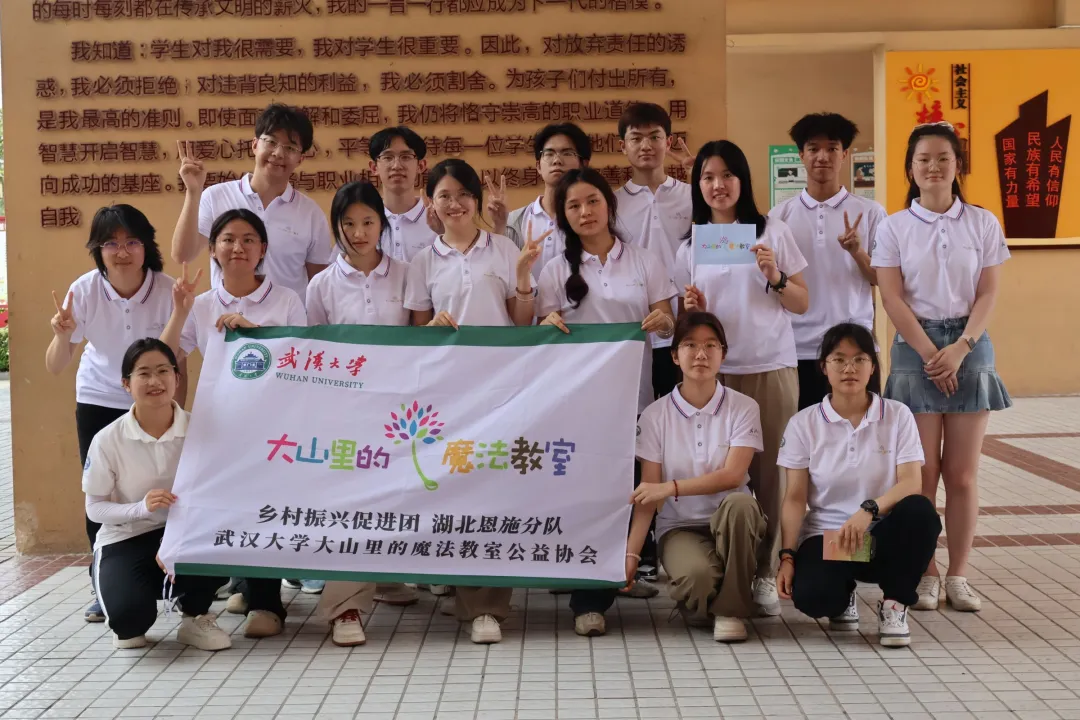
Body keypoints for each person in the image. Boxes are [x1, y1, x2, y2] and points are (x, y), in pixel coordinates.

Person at [872, 122, 1011, 612]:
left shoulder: (982, 222)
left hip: (971, 345)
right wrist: (933, 353)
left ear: (958, 165)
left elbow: (988, 292)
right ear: (910, 168)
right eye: (923, 159)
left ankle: (959, 574)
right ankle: (926, 571)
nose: (933, 167)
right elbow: (891, 297)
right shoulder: (893, 227)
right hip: (916, 347)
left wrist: (962, 347)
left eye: (943, 158)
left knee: (963, 474)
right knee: (923, 473)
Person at [535, 168, 678, 636]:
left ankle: (624, 571)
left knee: (630, 492)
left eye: (592, 201)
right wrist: (547, 324)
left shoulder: (643, 260)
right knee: (587, 497)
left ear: (609, 205)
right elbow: (542, 330)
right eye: (574, 206)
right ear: (564, 216)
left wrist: (662, 321)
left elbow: (668, 318)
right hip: (578, 405)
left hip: (634, 398)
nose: (585, 212)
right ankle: (587, 600)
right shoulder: (555, 270)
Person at [404, 158, 541, 644]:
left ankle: (488, 606)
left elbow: (522, 322)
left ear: (477, 199)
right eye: (444, 195)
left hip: (500, 389)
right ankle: (465, 592)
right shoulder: (421, 261)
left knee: (496, 488)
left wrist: (522, 277)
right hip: (448, 394)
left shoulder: (503, 248)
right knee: (456, 488)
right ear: (431, 203)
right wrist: (432, 329)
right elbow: (416, 335)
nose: (455, 203)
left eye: (463, 193)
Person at [161, 208, 307, 639]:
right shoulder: (202, 304)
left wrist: (253, 332)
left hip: (273, 428)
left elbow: (301, 359)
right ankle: (202, 605)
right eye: (227, 239)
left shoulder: (286, 300)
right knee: (214, 510)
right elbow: (164, 357)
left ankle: (266, 603)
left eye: (248, 239)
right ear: (213, 249)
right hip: (218, 428)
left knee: (265, 510)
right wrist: (179, 310)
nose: (237, 247)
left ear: (263, 249)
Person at [678, 140, 809, 617]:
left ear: (743, 180)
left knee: (773, 474)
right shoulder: (691, 244)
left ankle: (766, 572)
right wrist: (692, 309)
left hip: (770, 367)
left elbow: (802, 302)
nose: (718, 185)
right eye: (708, 177)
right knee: (718, 473)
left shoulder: (772, 231)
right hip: (714, 375)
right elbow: (685, 322)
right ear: (698, 184)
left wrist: (775, 276)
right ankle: (727, 567)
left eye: (727, 175)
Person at [45, 204, 180, 623]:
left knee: (168, 486)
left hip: (153, 400)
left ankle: (174, 574)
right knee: (101, 491)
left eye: (132, 242)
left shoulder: (166, 289)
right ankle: (101, 582)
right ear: (98, 250)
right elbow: (55, 365)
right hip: (100, 398)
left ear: (146, 246)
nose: (122, 252)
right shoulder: (84, 290)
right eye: (111, 244)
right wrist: (62, 335)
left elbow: (175, 359)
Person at [776, 324, 942, 647]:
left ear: (873, 367)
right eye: (839, 359)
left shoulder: (897, 415)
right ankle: (842, 597)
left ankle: (894, 604)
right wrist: (787, 556)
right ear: (823, 367)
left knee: (920, 512)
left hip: (881, 537)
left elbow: (912, 482)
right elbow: (794, 498)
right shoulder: (803, 423)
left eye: (859, 359)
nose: (849, 368)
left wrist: (869, 510)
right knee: (812, 595)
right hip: (830, 539)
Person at [304, 180, 411, 645]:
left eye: (368, 221)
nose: (359, 232)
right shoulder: (321, 285)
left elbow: (422, 340)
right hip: (346, 413)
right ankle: (345, 607)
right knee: (351, 504)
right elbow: (314, 355)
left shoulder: (407, 274)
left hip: (402, 411)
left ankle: (387, 575)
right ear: (337, 227)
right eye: (349, 223)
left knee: (398, 497)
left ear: (382, 224)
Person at [83, 338, 231, 651]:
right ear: (126, 384)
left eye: (163, 371)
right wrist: (140, 508)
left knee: (218, 541)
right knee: (130, 629)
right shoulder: (108, 439)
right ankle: (114, 584)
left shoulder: (202, 429)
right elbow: (95, 509)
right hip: (126, 536)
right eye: (144, 373)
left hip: (186, 534)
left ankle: (195, 616)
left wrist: (177, 537)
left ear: (177, 378)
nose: (155, 381)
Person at [628, 312, 766, 643]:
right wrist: (631, 555)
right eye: (690, 345)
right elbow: (648, 495)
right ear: (675, 356)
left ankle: (730, 611)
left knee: (741, 504)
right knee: (699, 579)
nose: (701, 354)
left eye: (710, 346)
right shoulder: (655, 415)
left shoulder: (744, 407)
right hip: (679, 528)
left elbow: (733, 475)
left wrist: (671, 487)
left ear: (723, 353)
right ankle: (708, 595)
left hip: (733, 524)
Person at [611, 102, 694, 585]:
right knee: (639, 445)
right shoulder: (611, 203)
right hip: (633, 346)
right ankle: (638, 551)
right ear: (622, 145)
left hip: (687, 343)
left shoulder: (692, 196)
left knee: (682, 444)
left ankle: (680, 540)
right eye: (636, 137)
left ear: (669, 141)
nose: (646, 145)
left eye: (655, 136)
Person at [769, 113, 887, 409]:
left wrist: (857, 251)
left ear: (844, 154)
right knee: (801, 432)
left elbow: (882, 279)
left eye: (832, 148)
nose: (822, 156)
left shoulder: (871, 212)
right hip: (795, 348)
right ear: (801, 155)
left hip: (854, 348)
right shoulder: (779, 216)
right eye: (813, 148)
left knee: (860, 429)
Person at [171, 102, 333, 302]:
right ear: (255, 145)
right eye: (271, 142)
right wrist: (193, 193)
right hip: (227, 318)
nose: (278, 153)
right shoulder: (216, 196)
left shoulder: (311, 213)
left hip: (286, 319)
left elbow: (319, 286)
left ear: (300, 159)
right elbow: (182, 255)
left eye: (290, 148)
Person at [492, 122, 592, 278]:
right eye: (549, 154)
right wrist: (499, 228)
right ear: (538, 166)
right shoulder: (514, 221)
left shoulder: (590, 220)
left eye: (567, 153)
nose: (557, 160)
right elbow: (497, 272)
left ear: (583, 164)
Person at [368, 125, 440, 263]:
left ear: (421, 166)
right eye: (388, 157)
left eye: (406, 157)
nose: (396, 166)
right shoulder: (365, 219)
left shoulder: (437, 219)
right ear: (374, 167)